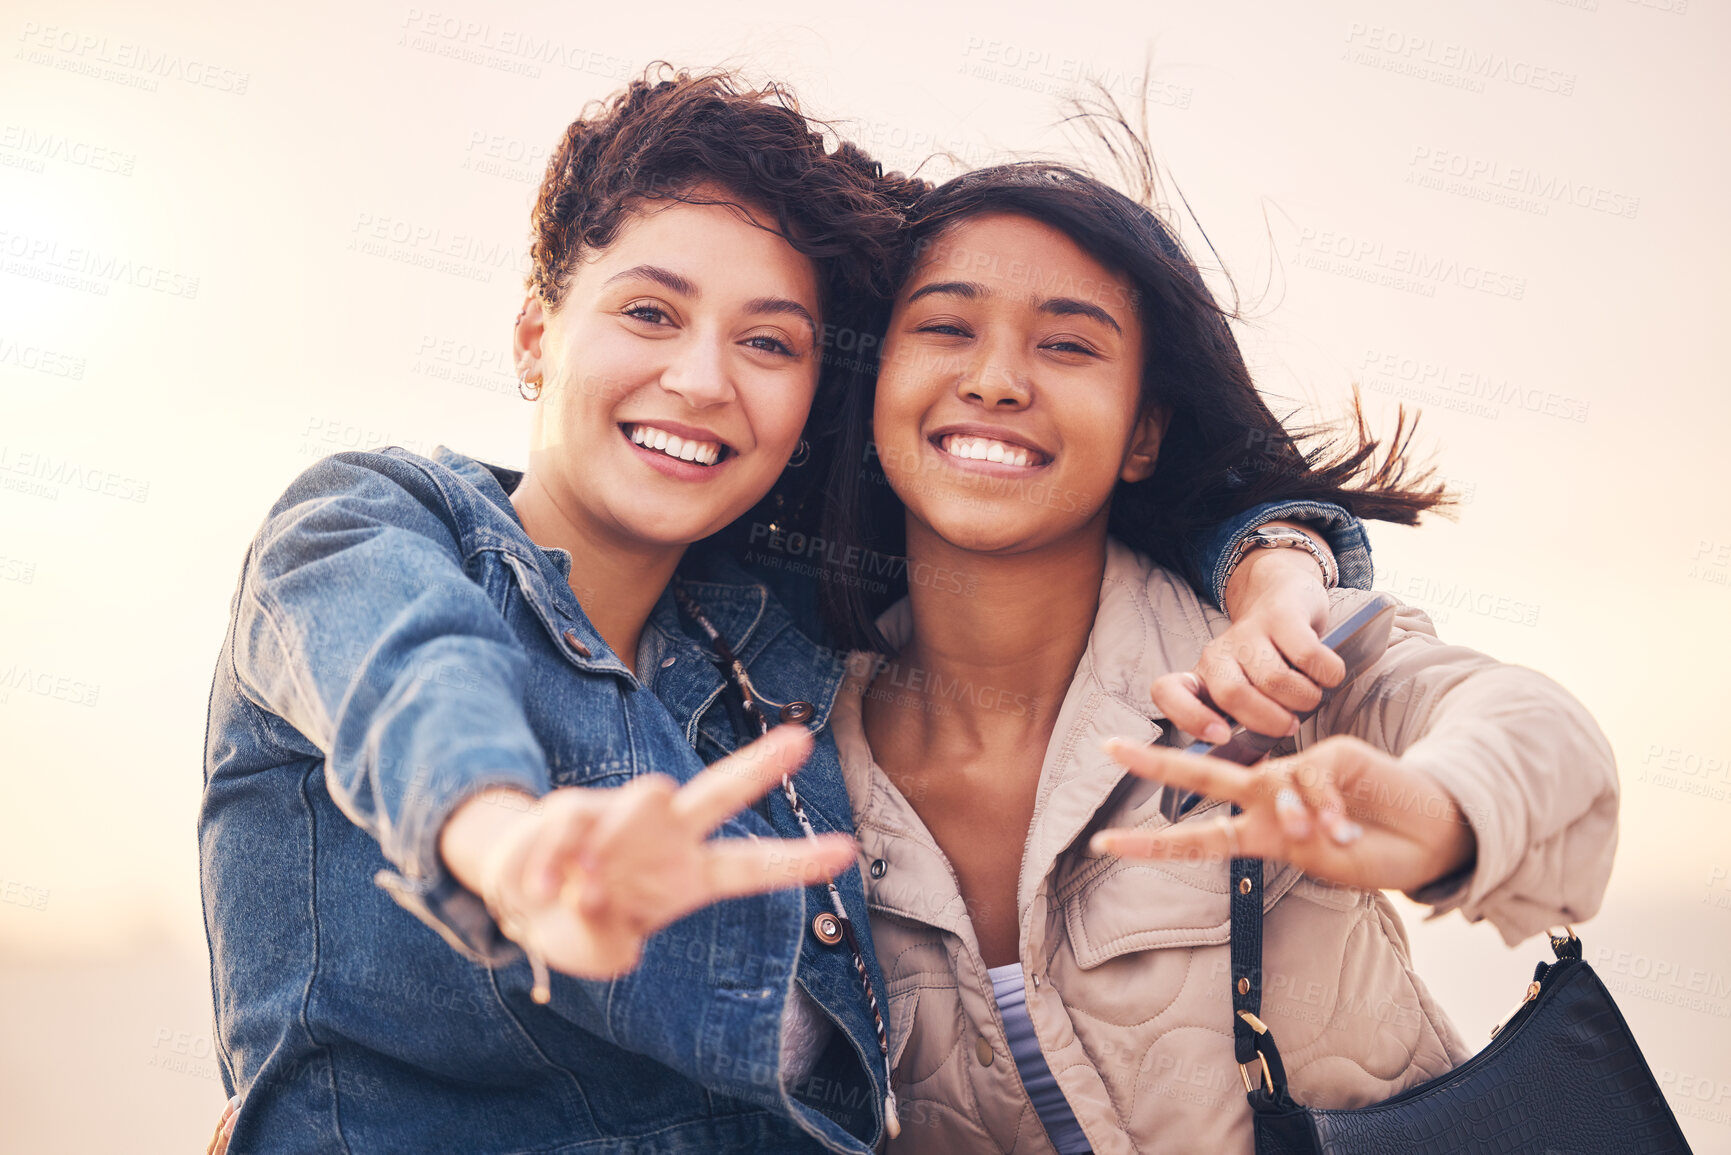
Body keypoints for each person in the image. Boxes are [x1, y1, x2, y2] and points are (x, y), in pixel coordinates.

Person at [199, 70, 1373, 1154]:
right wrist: (511, 850)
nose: (705, 379)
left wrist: (1275, 560)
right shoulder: (370, 526)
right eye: (651, 314)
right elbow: (405, 681)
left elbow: (1061, 482)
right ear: (534, 332)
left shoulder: (775, 634)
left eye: (769, 342)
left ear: (814, 395)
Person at [820, 159, 1619, 1154]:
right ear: (874, 379)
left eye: (1068, 344)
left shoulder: (1275, 657)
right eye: (945, 328)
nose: (994, 379)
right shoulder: (799, 759)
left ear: (1143, 432)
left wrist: (1439, 815)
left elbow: (1547, 741)